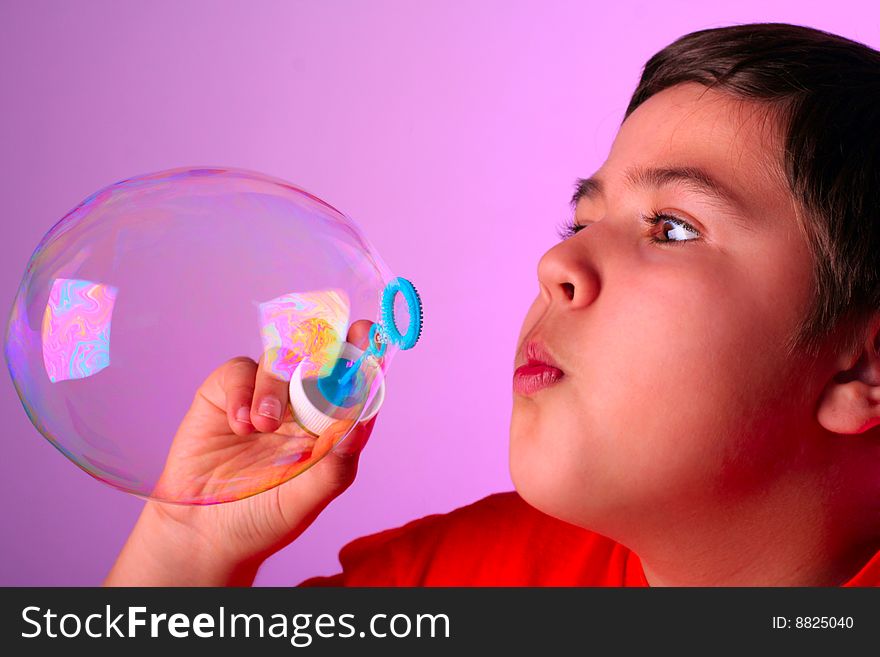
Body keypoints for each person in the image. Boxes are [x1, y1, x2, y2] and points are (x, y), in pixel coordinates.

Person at [105, 22, 880, 587]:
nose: (556, 262)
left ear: (865, 364)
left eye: (671, 227)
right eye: (580, 220)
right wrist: (189, 547)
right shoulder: (468, 579)